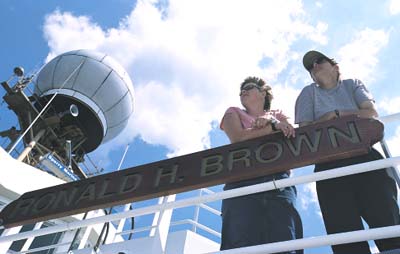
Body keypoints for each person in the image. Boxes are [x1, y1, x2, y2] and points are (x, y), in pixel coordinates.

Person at [295, 50, 400, 253]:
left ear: (336, 67)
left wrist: (336, 115)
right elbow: (305, 133)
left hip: (366, 158)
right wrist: (331, 120)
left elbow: (370, 112)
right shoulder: (308, 93)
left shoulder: (353, 84)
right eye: (310, 67)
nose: (314, 66)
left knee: (388, 221)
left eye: (319, 61)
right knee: (344, 232)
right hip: (329, 166)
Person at [220, 76, 303, 253]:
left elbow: (289, 130)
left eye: (249, 87)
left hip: (279, 181)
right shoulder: (232, 112)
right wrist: (272, 129)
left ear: (263, 93)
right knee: (240, 241)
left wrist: (272, 121)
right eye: (241, 90)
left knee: (284, 239)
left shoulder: (278, 114)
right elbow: (237, 138)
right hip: (241, 181)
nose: (243, 91)